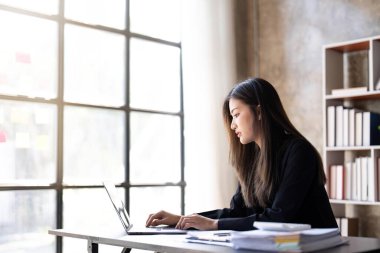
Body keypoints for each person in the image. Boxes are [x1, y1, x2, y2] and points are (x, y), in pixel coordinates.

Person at [145, 77, 337, 231]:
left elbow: (279, 218)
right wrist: (184, 219)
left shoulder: (299, 152)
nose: (232, 125)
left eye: (236, 114)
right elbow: (237, 212)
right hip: (283, 248)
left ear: (259, 111)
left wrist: (214, 225)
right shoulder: (252, 159)